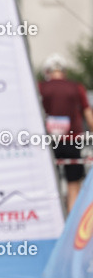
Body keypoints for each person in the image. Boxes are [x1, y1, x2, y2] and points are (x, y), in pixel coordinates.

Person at [39, 54, 93, 210]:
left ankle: (54, 219)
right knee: (73, 184)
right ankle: (71, 223)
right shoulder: (76, 87)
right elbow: (87, 113)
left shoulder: (41, 87)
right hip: (71, 140)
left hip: (47, 142)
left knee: (49, 184)